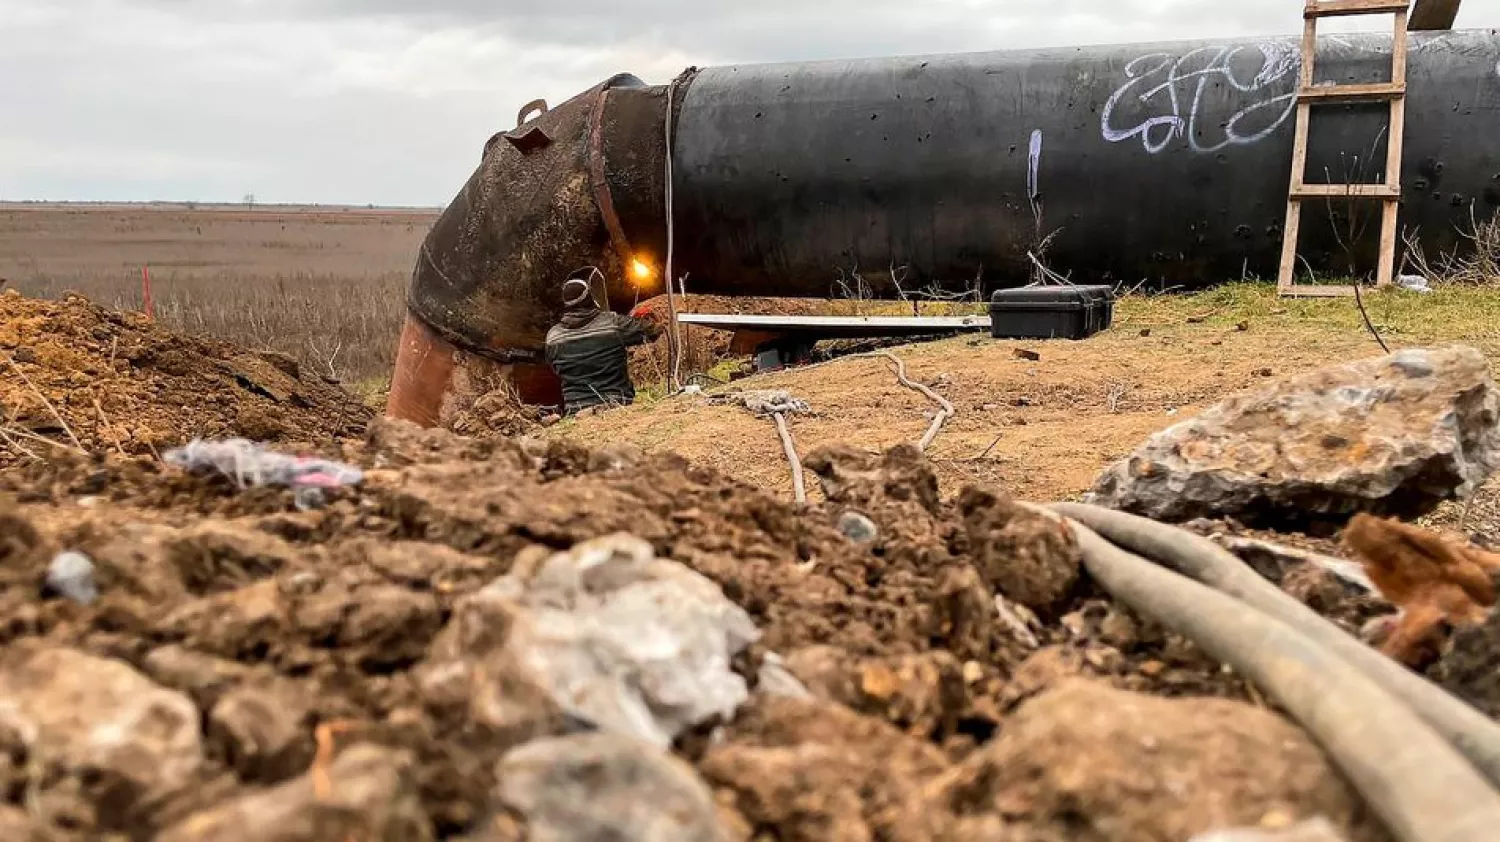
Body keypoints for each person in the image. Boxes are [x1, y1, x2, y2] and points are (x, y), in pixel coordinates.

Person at [544, 276, 663, 414]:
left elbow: (555, 369)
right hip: (616, 403)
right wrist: (644, 318)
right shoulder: (613, 324)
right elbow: (653, 330)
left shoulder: (553, 337)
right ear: (590, 298)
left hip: (574, 408)